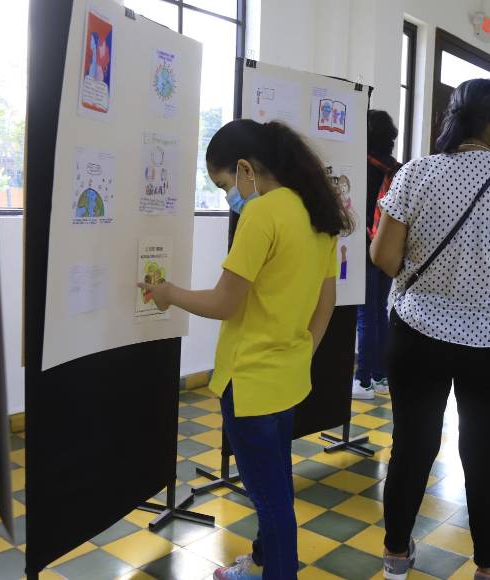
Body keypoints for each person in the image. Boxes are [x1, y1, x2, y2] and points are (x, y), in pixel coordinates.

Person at [139, 119, 352, 580]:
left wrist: (170, 293)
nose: (228, 197)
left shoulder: (262, 214)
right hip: (288, 379)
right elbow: (326, 302)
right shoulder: (317, 214)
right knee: (275, 487)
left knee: (270, 498)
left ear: (244, 169)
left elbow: (224, 302)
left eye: (224, 185)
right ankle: (262, 560)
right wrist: (300, 351)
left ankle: (279, 572)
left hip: (251, 383)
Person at [370, 79, 490, 580]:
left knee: (412, 445)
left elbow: (383, 257)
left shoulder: (415, 174)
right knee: (485, 454)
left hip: (417, 334)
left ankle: (397, 557)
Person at [352, 110, 401, 400]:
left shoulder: (361, 168)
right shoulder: (395, 168)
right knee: (379, 311)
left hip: (361, 247)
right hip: (387, 248)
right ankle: (381, 376)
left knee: (364, 313)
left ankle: (363, 380)